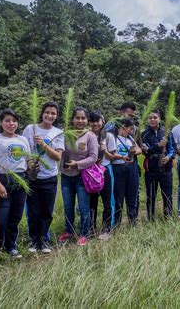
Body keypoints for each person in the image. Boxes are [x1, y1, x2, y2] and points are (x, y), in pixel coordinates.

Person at [0, 109, 31, 259]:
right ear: (1, 123)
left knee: (16, 216)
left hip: (21, 179)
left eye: (14, 121)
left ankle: (11, 246)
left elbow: (28, 160)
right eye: (7, 120)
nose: (11, 124)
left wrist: (33, 166)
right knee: (1, 218)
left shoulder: (23, 140)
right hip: (3, 179)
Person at [22, 102, 64, 253]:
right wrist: (29, 164)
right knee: (33, 210)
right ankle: (33, 240)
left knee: (47, 211)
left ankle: (44, 241)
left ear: (56, 116)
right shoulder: (30, 128)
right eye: (47, 112)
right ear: (42, 113)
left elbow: (58, 156)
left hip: (50, 178)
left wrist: (44, 145)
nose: (50, 116)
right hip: (32, 177)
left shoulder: (58, 132)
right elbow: (24, 151)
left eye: (53, 113)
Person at [58, 107, 98, 246]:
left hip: (83, 176)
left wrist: (77, 164)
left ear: (87, 120)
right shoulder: (64, 134)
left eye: (83, 118)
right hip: (66, 176)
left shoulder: (90, 135)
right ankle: (69, 231)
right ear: (73, 119)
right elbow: (59, 152)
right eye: (77, 118)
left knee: (83, 206)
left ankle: (84, 233)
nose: (80, 121)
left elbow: (93, 157)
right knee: (68, 206)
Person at [141, 110, 176, 220]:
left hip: (166, 168)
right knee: (151, 196)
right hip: (151, 169)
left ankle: (168, 217)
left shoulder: (166, 132)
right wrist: (158, 145)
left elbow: (173, 149)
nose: (152, 119)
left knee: (167, 195)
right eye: (150, 117)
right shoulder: (144, 134)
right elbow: (146, 151)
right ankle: (150, 218)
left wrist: (168, 157)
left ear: (159, 119)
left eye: (155, 117)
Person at [88, 111, 116, 240]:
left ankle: (106, 229)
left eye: (97, 121)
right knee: (91, 202)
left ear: (102, 121)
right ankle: (91, 228)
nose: (95, 124)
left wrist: (104, 150)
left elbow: (112, 157)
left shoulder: (108, 136)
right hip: (91, 173)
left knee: (107, 201)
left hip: (104, 170)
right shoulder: (87, 135)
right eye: (93, 121)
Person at [112, 118, 142, 226]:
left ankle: (133, 221)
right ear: (124, 127)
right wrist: (121, 156)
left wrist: (135, 151)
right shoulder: (113, 138)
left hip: (132, 169)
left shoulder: (130, 138)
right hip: (118, 170)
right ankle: (116, 223)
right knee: (118, 198)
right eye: (130, 128)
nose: (131, 131)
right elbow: (109, 155)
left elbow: (140, 150)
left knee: (132, 196)